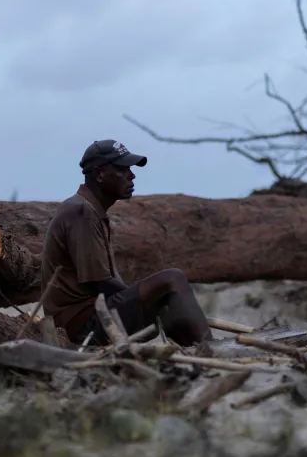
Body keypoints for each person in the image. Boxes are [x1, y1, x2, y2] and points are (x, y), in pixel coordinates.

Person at [40, 139, 213, 347]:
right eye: (122, 169)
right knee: (172, 279)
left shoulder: (90, 210)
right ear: (99, 174)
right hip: (80, 327)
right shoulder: (81, 212)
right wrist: (143, 297)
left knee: (164, 296)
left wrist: (145, 298)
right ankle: (210, 347)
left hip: (90, 316)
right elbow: (99, 282)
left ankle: (196, 348)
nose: (131, 175)